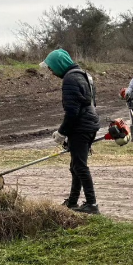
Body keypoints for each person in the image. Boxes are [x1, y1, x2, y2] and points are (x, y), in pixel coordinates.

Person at [42, 49, 101, 214]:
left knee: (80, 167)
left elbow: (72, 111)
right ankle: (73, 202)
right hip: (89, 124)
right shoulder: (83, 75)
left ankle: (92, 204)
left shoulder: (70, 79)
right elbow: (91, 103)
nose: (51, 72)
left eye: (52, 68)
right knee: (75, 165)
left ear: (59, 65)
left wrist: (62, 132)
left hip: (81, 127)